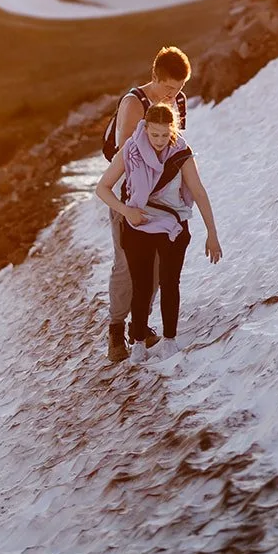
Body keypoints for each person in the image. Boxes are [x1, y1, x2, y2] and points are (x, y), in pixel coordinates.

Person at [95, 101, 222, 363]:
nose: (160, 140)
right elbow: (103, 188)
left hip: (173, 225)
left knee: (169, 283)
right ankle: (138, 342)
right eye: (155, 134)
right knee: (141, 286)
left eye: (165, 134)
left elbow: (198, 192)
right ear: (145, 127)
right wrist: (126, 210)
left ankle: (169, 340)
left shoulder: (181, 153)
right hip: (137, 223)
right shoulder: (130, 149)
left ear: (172, 130)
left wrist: (212, 233)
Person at [104, 46, 192, 363]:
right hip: (128, 198)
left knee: (155, 269)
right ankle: (115, 330)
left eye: (179, 89)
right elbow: (125, 156)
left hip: (162, 202)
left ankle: (137, 327)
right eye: (169, 88)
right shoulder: (133, 104)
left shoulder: (177, 101)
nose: (173, 95)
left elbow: (174, 148)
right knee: (127, 265)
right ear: (155, 77)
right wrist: (130, 207)